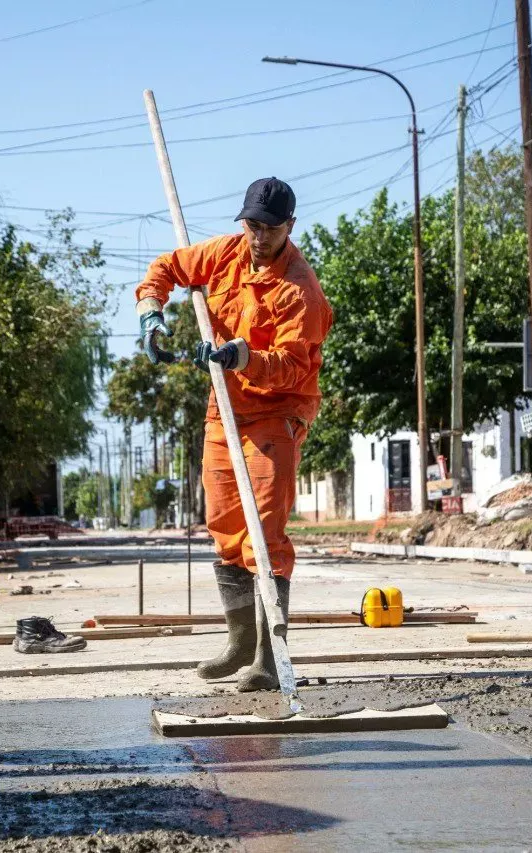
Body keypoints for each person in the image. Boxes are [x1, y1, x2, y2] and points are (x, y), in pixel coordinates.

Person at [135, 177, 332, 691]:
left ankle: (269, 657)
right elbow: (166, 269)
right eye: (251, 226)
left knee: (263, 533)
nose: (259, 237)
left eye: (269, 228)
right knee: (224, 525)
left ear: (289, 226)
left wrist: (241, 356)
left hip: (276, 411)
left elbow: (291, 365)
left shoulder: (300, 291)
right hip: (224, 411)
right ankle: (240, 640)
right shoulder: (224, 254)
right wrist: (150, 313)